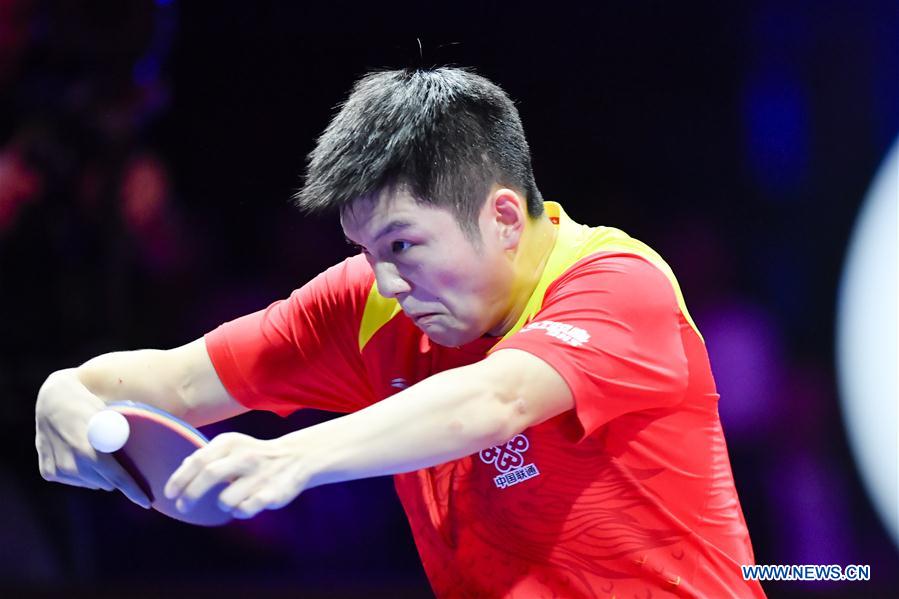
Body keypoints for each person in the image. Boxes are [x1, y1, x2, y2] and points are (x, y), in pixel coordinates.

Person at [36, 67, 766, 598]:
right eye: (365, 249)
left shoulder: (616, 283)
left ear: (504, 218)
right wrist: (64, 395)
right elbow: (173, 383)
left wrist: (291, 456)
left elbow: (496, 398)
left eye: (403, 244)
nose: (383, 280)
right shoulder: (371, 304)